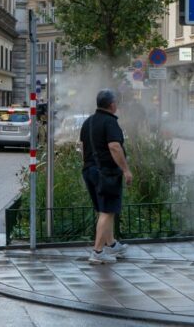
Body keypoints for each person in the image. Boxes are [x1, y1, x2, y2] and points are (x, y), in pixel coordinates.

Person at [87, 89, 133, 264]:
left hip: (93, 170)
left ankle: (112, 245)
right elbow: (114, 146)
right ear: (112, 105)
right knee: (107, 211)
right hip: (107, 172)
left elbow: (84, 145)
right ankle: (97, 252)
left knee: (104, 211)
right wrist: (126, 170)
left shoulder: (91, 121)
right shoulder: (110, 122)